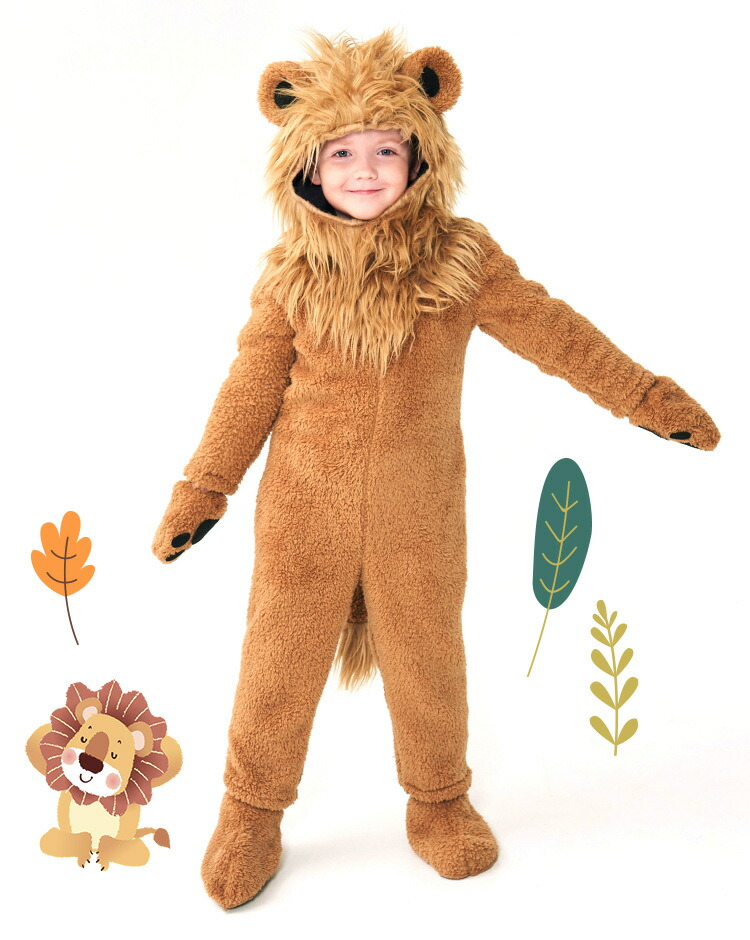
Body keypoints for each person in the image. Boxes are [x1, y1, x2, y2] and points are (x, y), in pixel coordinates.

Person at [153, 30, 719, 910]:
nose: (366, 170)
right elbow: (249, 388)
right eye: (342, 152)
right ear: (305, 163)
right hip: (302, 512)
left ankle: (439, 800)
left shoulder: (462, 261)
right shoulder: (290, 280)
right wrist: (204, 487)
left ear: (423, 152)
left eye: (387, 149)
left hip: (420, 514)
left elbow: (555, 332)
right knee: (276, 665)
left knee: (428, 662)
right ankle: (251, 810)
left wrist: (644, 396)